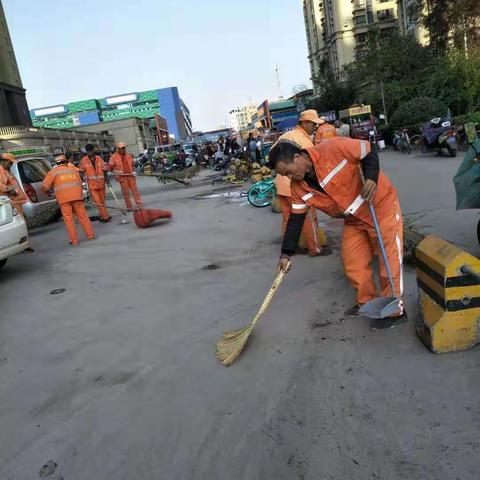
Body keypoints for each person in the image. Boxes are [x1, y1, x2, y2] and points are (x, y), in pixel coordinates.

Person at [269, 138, 406, 331]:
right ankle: (366, 301)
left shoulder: (332, 148)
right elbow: (295, 220)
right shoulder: (298, 188)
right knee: (353, 262)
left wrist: (371, 178)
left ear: (297, 157)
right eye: (285, 175)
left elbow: (368, 150)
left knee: (389, 260)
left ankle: (396, 312)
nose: (290, 177)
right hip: (353, 219)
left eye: (289, 171)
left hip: (380, 208)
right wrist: (285, 254)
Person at [273, 109, 328, 257]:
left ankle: (291, 247)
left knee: (288, 218)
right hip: (295, 184)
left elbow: (273, 156)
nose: (315, 127)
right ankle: (315, 248)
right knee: (308, 217)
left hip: (281, 183)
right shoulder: (303, 140)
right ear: (304, 123)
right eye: (312, 124)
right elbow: (313, 164)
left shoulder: (286, 135)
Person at [41, 154, 95, 246]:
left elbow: (44, 187)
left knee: (69, 220)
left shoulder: (53, 172)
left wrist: (48, 193)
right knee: (83, 217)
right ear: (66, 161)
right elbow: (80, 182)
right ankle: (90, 235)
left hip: (64, 200)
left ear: (56, 163)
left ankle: (74, 241)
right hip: (77, 197)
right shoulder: (73, 170)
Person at [80, 144, 111, 223]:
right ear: (86, 151)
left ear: (93, 150)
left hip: (101, 184)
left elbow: (105, 170)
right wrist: (83, 176)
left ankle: (102, 216)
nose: (90, 153)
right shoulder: (84, 160)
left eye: (91, 151)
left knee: (102, 202)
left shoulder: (99, 159)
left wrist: (108, 181)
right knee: (98, 202)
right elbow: (81, 171)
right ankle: (106, 217)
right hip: (92, 185)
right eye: (88, 151)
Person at [108, 142, 143, 211]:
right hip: (122, 178)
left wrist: (134, 171)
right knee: (125, 193)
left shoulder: (129, 155)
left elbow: (132, 164)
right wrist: (112, 172)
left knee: (135, 191)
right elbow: (110, 167)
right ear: (118, 149)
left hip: (130, 176)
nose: (122, 150)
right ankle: (129, 206)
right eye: (120, 149)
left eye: (123, 148)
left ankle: (139, 204)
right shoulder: (114, 157)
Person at [0, 152, 28, 217]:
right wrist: (10, 190)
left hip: (15, 201)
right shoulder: (1, 170)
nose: (11, 165)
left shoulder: (5, 170)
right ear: (4, 161)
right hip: (11, 201)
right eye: (10, 163)